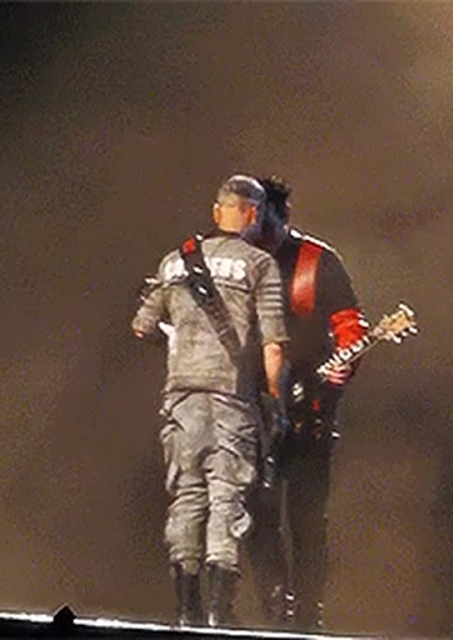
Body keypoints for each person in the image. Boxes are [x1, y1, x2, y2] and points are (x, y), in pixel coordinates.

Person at [131, 175, 289, 628]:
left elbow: (142, 327)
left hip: (181, 397)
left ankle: (186, 610)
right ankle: (220, 613)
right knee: (226, 498)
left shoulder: (174, 262)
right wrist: (276, 403)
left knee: (187, 495)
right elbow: (274, 345)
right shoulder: (259, 264)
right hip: (230, 398)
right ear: (254, 214)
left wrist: (182, 344)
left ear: (218, 211)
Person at [245, 175, 368, 630]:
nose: (259, 235)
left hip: (309, 409)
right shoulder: (237, 261)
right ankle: (277, 606)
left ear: (283, 217)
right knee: (257, 513)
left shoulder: (318, 262)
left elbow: (351, 325)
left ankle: (308, 613)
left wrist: (345, 363)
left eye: (266, 225)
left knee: (307, 517)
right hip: (254, 407)